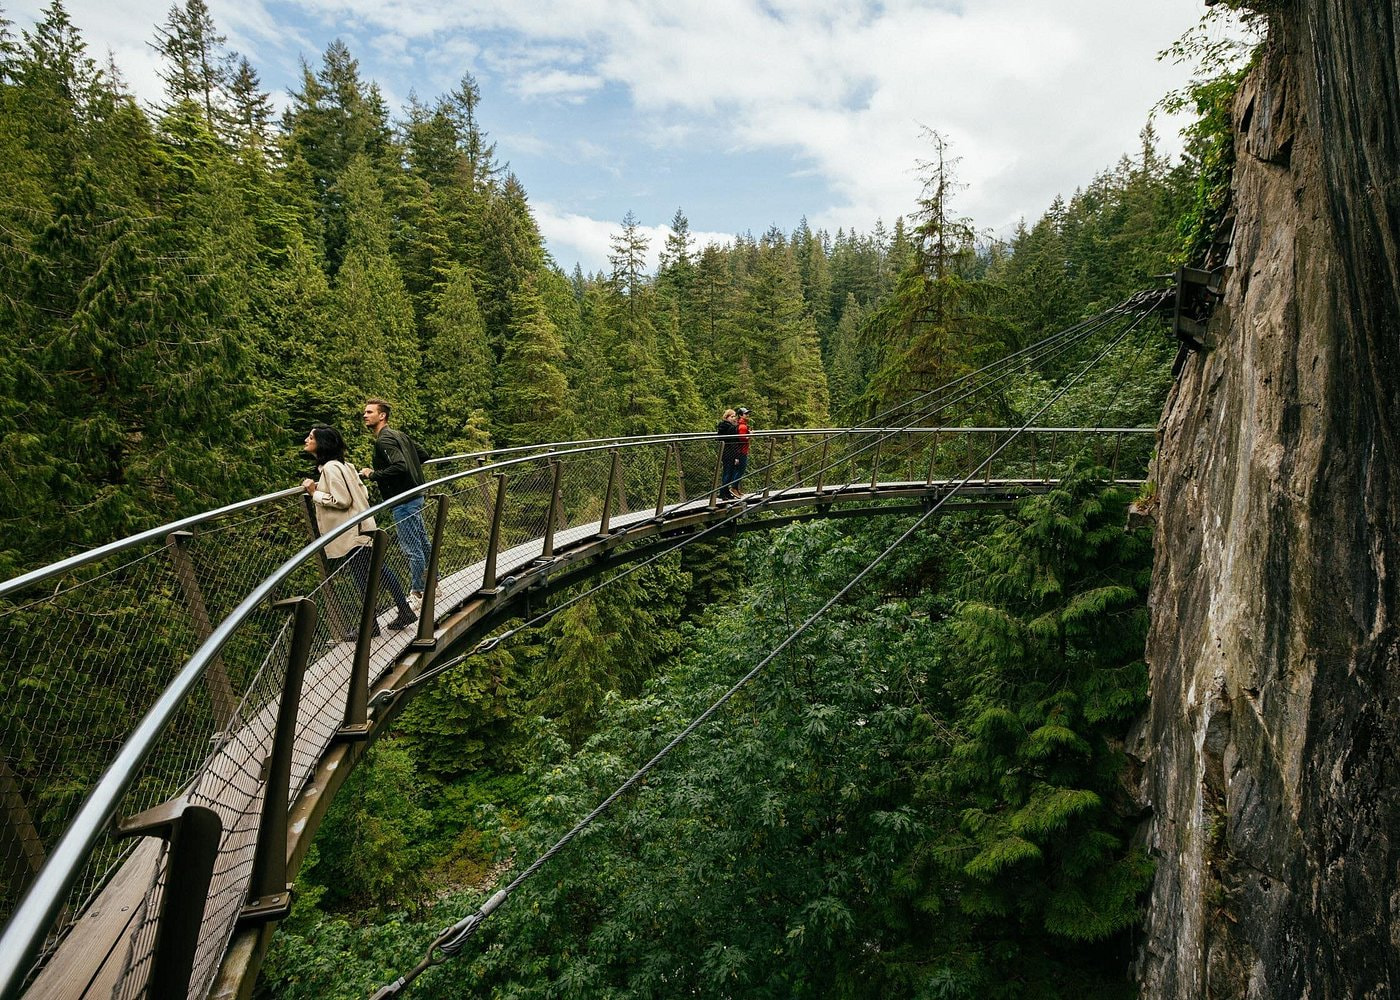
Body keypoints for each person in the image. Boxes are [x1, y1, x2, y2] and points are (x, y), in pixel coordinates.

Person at [301, 426, 416, 636]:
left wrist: (315, 493)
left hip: (351, 532)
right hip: (362, 525)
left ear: (322, 443)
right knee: (375, 572)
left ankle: (375, 625)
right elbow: (362, 492)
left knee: (367, 577)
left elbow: (342, 500)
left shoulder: (330, 469)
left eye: (311, 437)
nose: (306, 439)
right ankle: (397, 613)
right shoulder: (346, 466)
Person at [357, 398, 433, 608]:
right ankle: (433, 582)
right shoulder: (400, 435)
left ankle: (418, 592)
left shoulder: (384, 441)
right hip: (416, 495)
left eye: (369, 412)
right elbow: (424, 455)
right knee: (422, 541)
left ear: (382, 416)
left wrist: (373, 474)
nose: (365, 415)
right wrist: (412, 472)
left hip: (403, 500)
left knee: (412, 547)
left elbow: (399, 466)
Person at [715, 407, 742, 500]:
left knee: (727, 472)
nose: (734, 418)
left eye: (734, 416)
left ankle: (725, 492)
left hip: (724, 452)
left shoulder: (723, 427)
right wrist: (737, 456)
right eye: (732, 416)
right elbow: (734, 442)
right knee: (728, 473)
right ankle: (724, 492)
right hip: (730, 452)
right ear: (726, 417)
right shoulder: (731, 428)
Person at [734, 407, 751, 497]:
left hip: (740, 450)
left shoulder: (741, 424)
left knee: (738, 470)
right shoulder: (742, 426)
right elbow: (742, 438)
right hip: (742, 451)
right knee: (741, 469)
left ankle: (736, 489)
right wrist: (749, 435)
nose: (747, 415)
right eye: (745, 414)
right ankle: (734, 488)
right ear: (740, 415)